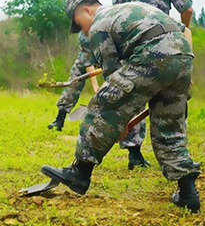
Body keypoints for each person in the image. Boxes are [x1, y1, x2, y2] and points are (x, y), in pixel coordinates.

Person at [41, 0, 201, 213]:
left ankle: (80, 172)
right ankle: (188, 194)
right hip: (181, 56)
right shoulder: (130, 10)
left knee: (100, 105)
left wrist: (117, 119)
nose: (82, 32)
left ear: (87, 9)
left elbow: (112, 79)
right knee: (169, 127)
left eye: (79, 23)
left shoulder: (99, 24)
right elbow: (183, 31)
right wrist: (185, 71)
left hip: (152, 54)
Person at [48, 33, 149, 170]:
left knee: (131, 94)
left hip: (121, 57)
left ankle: (134, 152)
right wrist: (95, 85)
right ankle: (60, 118)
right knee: (75, 79)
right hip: (92, 56)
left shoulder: (113, 28)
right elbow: (88, 63)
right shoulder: (85, 35)